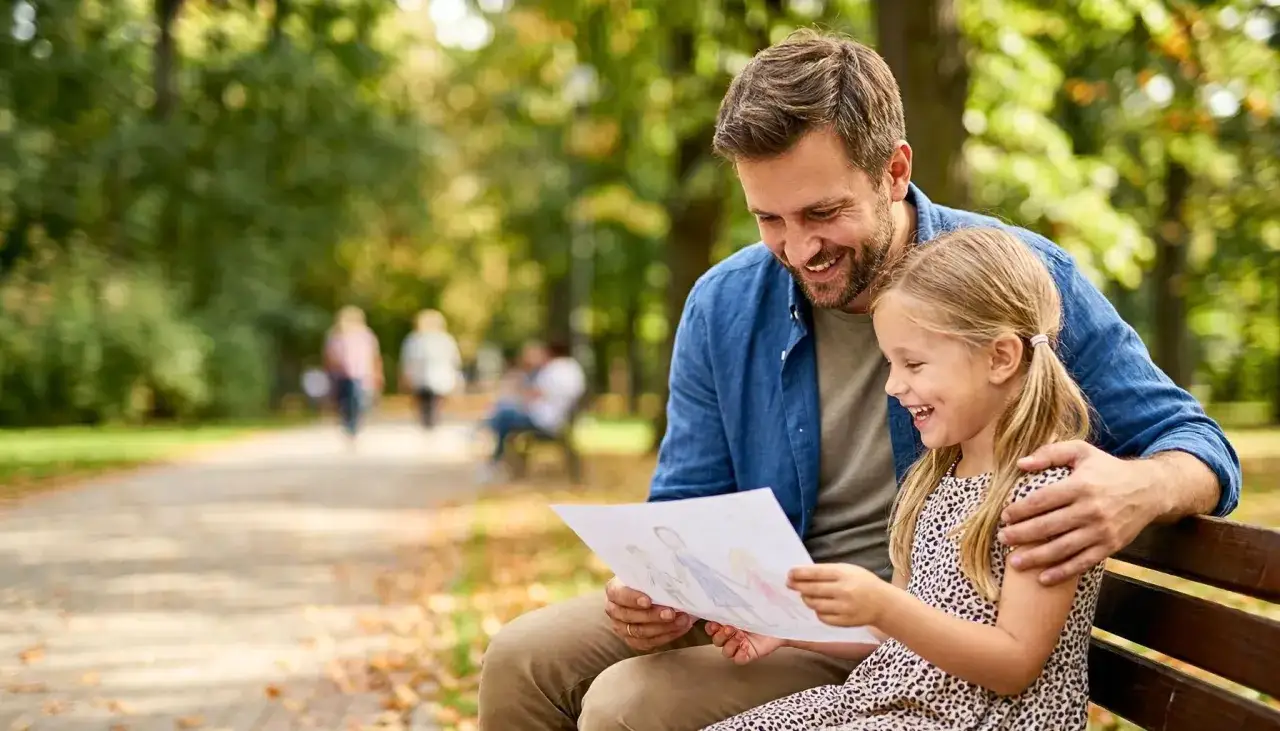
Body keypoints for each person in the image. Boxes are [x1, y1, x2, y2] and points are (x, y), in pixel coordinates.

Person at [476, 30, 1240, 731]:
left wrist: (1139, 488)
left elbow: (1198, 443)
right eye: (768, 219)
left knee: (627, 704)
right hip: (776, 608)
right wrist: (663, 593)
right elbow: (686, 505)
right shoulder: (723, 303)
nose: (797, 248)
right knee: (520, 656)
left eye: (821, 211)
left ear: (894, 170)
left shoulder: (1013, 279)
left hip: (912, 632)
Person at [703, 227, 1102, 730]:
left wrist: (887, 606)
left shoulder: (1046, 491)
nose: (894, 385)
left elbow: (1014, 665)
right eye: (890, 363)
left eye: (912, 363)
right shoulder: (938, 476)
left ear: (1000, 358)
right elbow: (898, 637)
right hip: (892, 706)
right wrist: (787, 631)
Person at [477, 340, 586, 483]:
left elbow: (536, 393)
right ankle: (489, 444)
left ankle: (493, 457)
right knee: (504, 411)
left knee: (503, 413)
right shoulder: (573, 368)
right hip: (560, 420)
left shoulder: (554, 369)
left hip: (544, 421)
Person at [323, 305, 383, 444]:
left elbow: (374, 356)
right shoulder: (335, 335)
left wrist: (377, 373)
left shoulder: (366, 335)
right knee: (343, 401)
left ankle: (355, 426)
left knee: (358, 400)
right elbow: (329, 355)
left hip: (361, 374)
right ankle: (347, 425)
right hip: (341, 375)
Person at [400, 309, 463, 429]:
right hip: (433, 378)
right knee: (432, 403)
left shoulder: (415, 339)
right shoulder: (444, 339)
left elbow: (407, 361)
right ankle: (430, 424)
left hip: (427, 378)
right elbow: (455, 360)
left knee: (428, 403)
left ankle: (429, 424)